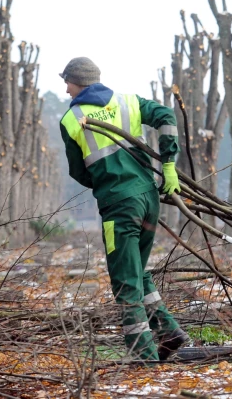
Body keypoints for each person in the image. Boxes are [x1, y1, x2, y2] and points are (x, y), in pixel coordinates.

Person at [59, 57, 189, 362]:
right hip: (148, 200)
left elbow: (77, 171)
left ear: (78, 82)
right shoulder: (128, 102)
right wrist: (168, 164)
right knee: (138, 271)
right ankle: (169, 332)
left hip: (119, 206)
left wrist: (108, 183)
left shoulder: (70, 119)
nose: (65, 89)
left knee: (124, 280)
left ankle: (142, 357)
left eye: (67, 82)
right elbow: (167, 115)